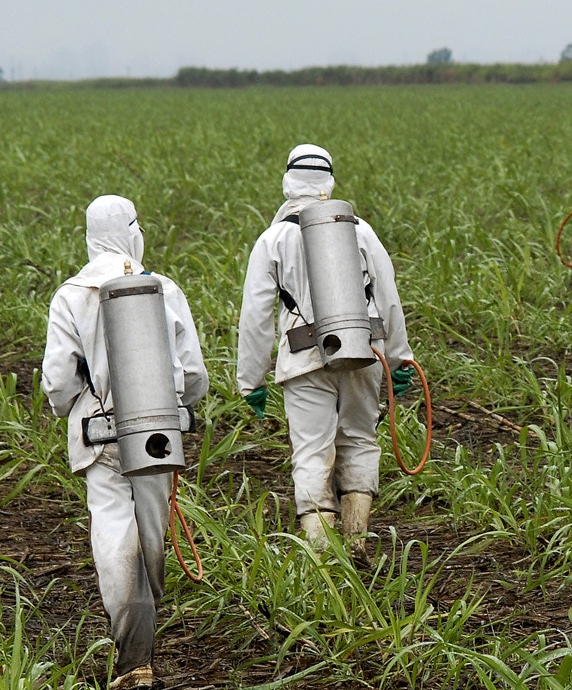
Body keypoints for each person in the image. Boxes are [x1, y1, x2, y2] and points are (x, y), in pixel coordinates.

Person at [42, 195, 208, 690]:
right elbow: (193, 370)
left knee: (114, 534)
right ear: (133, 230)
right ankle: (144, 636)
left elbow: (57, 381)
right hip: (159, 430)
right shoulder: (165, 288)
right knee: (152, 536)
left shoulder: (70, 295)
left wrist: (71, 409)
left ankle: (134, 657)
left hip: (100, 436)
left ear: (91, 235)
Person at [237, 144, 414, 552]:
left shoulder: (274, 238)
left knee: (312, 452)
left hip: (303, 360)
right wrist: (400, 358)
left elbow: (255, 317)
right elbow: (388, 298)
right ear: (330, 180)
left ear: (288, 181)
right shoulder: (360, 229)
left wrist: (250, 379)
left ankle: (322, 557)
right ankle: (356, 541)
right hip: (363, 352)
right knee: (359, 440)